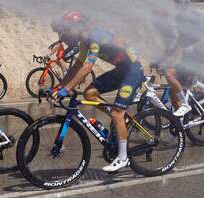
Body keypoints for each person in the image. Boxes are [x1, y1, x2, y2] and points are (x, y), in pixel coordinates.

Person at [53, 11, 144, 173]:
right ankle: (120, 121)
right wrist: (59, 86)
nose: (66, 33)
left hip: (133, 70)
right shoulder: (85, 42)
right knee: (89, 94)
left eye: (69, 28)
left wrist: (67, 89)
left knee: (117, 113)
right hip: (121, 70)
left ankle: (123, 158)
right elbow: (77, 66)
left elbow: (87, 68)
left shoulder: (95, 37)